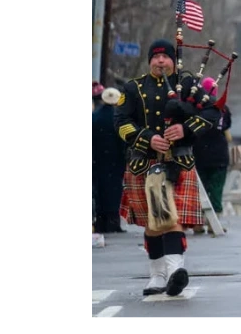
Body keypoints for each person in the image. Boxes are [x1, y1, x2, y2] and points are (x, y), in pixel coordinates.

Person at [116, 39, 224, 297]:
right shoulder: (133, 88)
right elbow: (121, 123)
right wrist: (146, 137)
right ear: (149, 60)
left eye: (165, 57)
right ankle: (157, 274)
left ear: (173, 61)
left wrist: (185, 128)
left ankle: (175, 271)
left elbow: (213, 113)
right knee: (154, 222)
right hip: (144, 162)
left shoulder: (188, 85)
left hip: (178, 160)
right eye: (156, 57)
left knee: (172, 218)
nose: (161, 61)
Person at [193, 77, 232, 218]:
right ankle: (215, 220)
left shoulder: (197, 107)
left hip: (200, 154)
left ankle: (198, 220)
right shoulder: (223, 108)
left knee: (199, 189)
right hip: (219, 156)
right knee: (216, 189)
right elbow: (227, 125)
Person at [90, 86, 126, 234]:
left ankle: (100, 220)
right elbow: (123, 139)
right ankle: (112, 221)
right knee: (114, 189)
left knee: (99, 189)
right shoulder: (118, 117)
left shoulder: (95, 116)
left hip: (97, 158)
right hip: (115, 159)